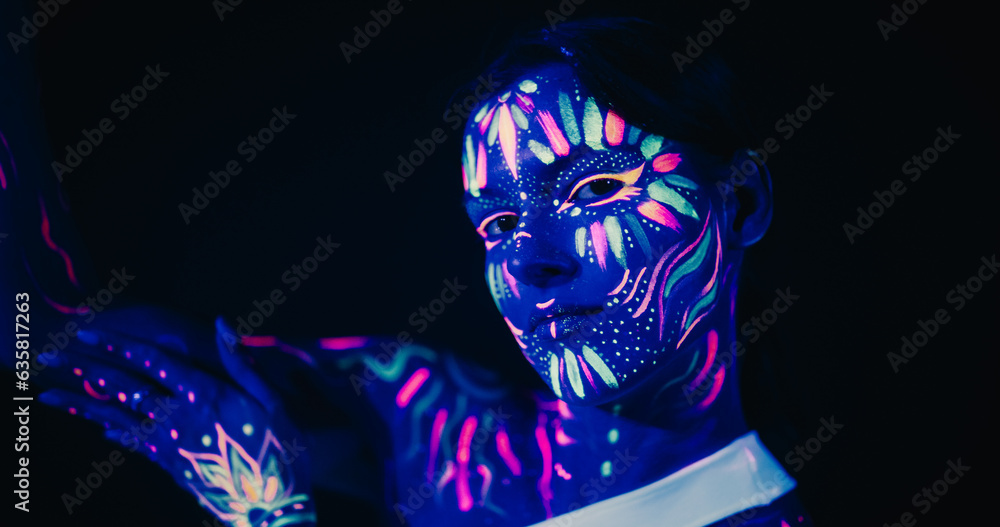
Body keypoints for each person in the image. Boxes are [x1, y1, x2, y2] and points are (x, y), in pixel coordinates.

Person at [5, 15, 812, 527]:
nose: (531, 261)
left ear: (740, 203)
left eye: (594, 188)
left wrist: (265, 511)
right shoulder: (440, 423)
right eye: (496, 224)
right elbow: (50, 334)